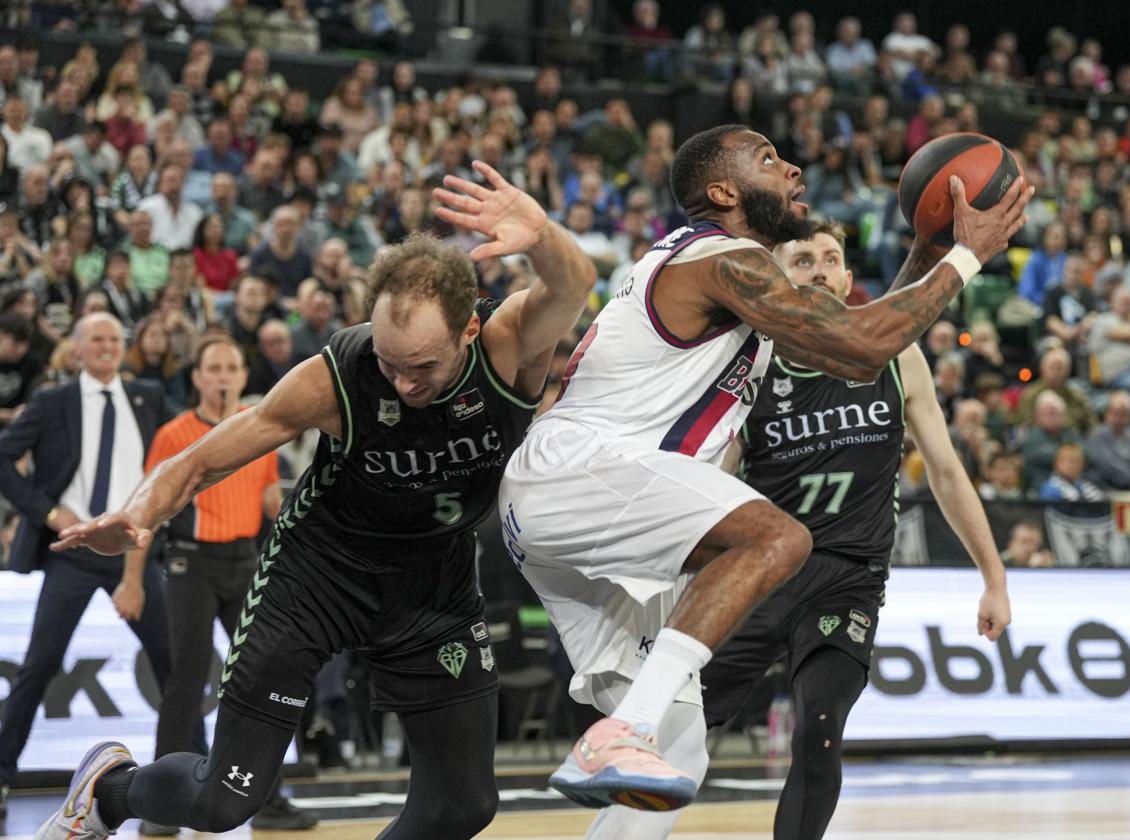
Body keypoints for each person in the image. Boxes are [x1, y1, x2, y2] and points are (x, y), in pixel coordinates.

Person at [37, 160, 594, 840]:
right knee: (224, 802)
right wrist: (140, 513)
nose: (403, 382)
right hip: (318, 576)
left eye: (421, 367)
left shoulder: (508, 347)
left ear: (468, 332)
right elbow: (206, 455)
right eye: (390, 362)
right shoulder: (339, 377)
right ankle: (110, 792)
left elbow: (573, 282)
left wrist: (541, 234)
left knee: (464, 805)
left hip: (434, 584)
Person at [497, 123, 1031, 810]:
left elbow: (851, 351)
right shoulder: (721, 259)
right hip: (584, 471)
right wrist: (966, 255)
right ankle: (618, 729)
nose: (795, 170)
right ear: (723, 191)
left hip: (570, 503)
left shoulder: (720, 273)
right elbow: (861, 345)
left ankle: (630, 732)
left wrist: (929, 253)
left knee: (676, 747)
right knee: (776, 537)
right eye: (769, 160)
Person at [603, 222, 1011, 840]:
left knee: (819, 728)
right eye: (801, 261)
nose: (819, 270)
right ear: (777, 283)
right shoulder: (749, 368)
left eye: (830, 259)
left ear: (848, 278)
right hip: (759, 573)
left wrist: (994, 577)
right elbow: (709, 483)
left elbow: (949, 474)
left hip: (847, 578)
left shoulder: (898, 356)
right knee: (675, 728)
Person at [134, 334, 314, 835]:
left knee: (261, 680)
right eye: (213, 368)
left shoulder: (257, 432)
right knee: (185, 684)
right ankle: (160, 807)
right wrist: (133, 580)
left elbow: (272, 510)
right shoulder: (174, 433)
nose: (222, 376)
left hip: (245, 563)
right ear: (196, 377)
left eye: (231, 368)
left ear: (241, 376)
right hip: (192, 565)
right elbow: (148, 509)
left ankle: (268, 798)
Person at [0, 314, 173, 814]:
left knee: (174, 668)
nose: (106, 347)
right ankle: (2, 775)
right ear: (76, 348)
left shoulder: (150, 398)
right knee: (38, 666)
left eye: (115, 340)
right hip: (72, 552)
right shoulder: (53, 402)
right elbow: (3, 459)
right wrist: (50, 513)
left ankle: (194, 774)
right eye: (96, 338)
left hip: (132, 550)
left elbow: (186, 450)